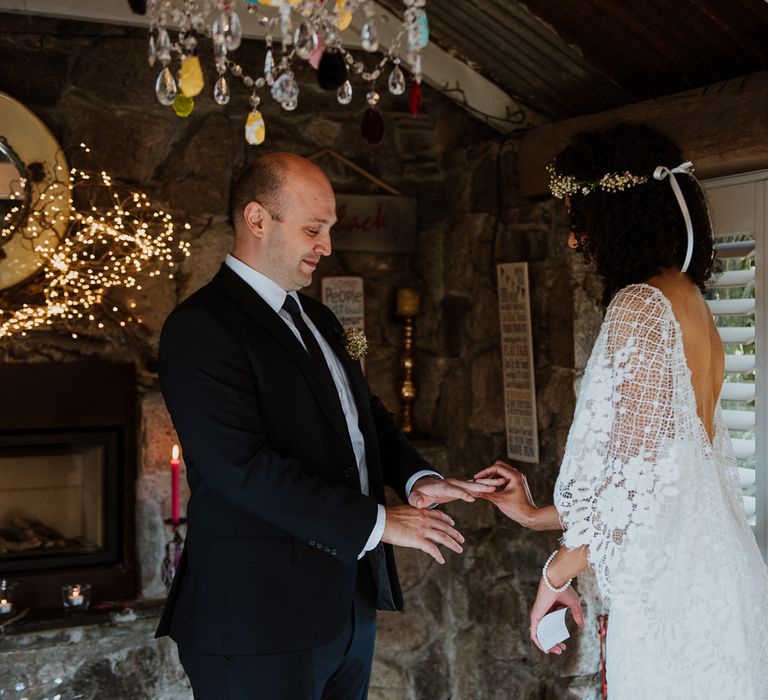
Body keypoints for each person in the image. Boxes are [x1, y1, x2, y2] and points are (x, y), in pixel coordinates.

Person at [156, 152, 500, 699]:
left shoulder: (318, 318)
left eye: (330, 230)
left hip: (345, 611)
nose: (327, 246)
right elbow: (240, 469)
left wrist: (416, 478)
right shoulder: (199, 328)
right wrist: (378, 521)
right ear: (257, 220)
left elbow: (367, 418)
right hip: (255, 624)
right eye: (313, 229)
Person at [477, 124, 768, 698]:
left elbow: (634, 492)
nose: (573, 239)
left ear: (620, 215)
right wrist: (538, 515)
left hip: (673, 597)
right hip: (719, 577)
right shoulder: (692, 302)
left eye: (578, 219)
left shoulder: (640, 306)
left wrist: (553, 576)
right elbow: (657, 475)